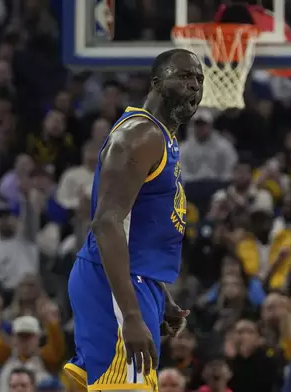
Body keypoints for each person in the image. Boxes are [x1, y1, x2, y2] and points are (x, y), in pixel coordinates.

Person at [64, 48, 204, 392]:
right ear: (157, 83)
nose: (194, 86)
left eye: (199, 79)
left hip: (136, 281)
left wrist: (160, 293)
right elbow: (107, 223)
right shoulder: (141, 135)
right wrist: (130, 314)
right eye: (184, 76)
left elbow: (138, 228)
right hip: (113, 284)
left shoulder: (163, 139)